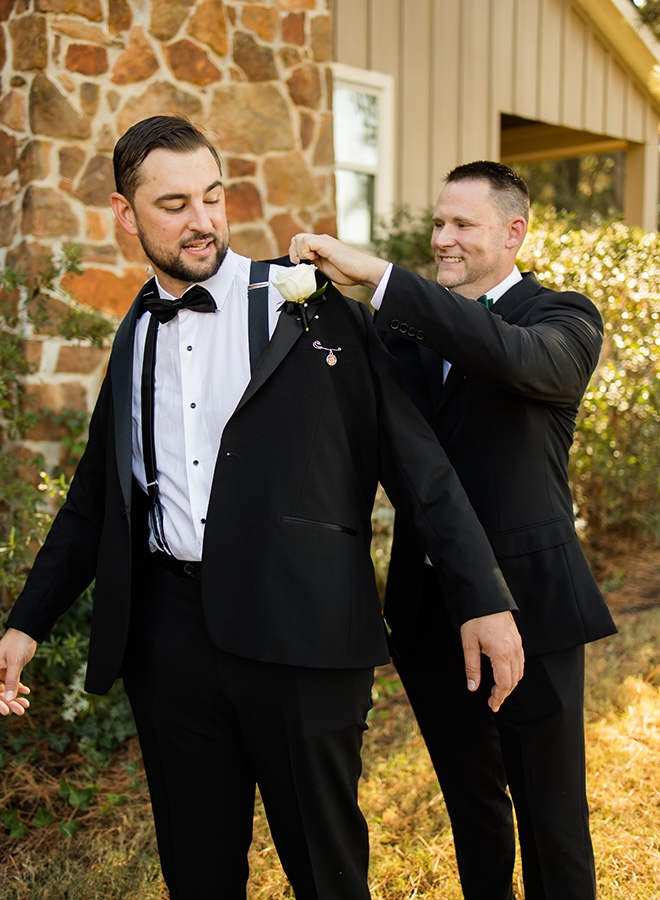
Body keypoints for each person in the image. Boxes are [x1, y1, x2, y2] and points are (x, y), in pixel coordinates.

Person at [0, 122, 524, 900]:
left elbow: (417, 464)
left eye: (212, 197)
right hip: (168, 641)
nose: (202, 220)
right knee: (197, 869)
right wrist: (25, 623)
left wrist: (481, 597)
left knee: (327, 870)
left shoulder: (310, 306)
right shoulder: (135, 333)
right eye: (172, 204)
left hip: (302, 630)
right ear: (124, 213)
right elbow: (95, 500)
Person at [289, 161, 617, 900]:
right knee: (473, 812)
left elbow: (509, 357)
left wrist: (379, 278)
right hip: (427, 610)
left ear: (513, 232)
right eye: (439, 223)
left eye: (462, 224)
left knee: (552, 817)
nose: (444, 239)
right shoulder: (401, 337)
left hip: (536, 609)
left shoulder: (562, 319)